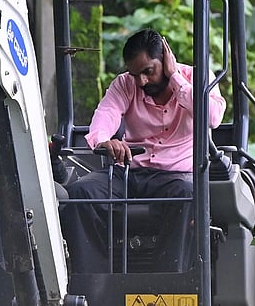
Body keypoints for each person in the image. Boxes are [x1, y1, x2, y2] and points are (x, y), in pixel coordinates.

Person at [62, 29, 225, 272]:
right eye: (135, 74)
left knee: (189, 195)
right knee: (80, 192)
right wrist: (104, 140)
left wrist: (175, 78)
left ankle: (167, 286)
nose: (141, 82)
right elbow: (106, 114)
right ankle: (93, 283)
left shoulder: (196, 78)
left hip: (176, 178)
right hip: (130, 172)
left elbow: (212, 117)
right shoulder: (125, 84)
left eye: (148, 71)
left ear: (166, 60)